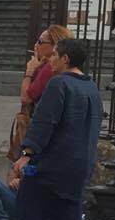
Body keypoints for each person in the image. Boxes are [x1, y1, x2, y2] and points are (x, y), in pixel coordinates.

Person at [13, 38, 102, 220]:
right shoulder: (91, 87)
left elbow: (45, 121)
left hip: (53, 162)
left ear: (65, 59)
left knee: (27, 206)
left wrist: (27, 153)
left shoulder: (59, 84)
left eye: (54, 55)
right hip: (81, 163)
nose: (50, 59)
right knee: (67, 216)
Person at [10, 24, 72, 159]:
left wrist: (30, 71)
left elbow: (26, 98)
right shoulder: (57, 67)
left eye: (40, 42)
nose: (36, 45)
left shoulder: (49, 68)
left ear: (54, 46)